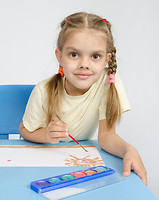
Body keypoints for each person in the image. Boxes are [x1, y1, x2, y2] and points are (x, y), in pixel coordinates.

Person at [19, 12, 147, 185]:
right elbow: (25, 130)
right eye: (74, 54)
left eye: (95, 56)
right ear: (60, 56)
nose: (84, 64)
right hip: (42, 166)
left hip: (77, 168)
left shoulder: (109, 84)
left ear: (106, 60)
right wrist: (46, 135)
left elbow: (106, 135)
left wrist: (128, 150)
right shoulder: (43, 90)